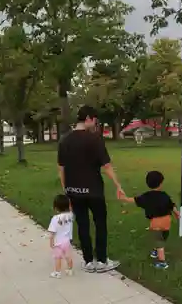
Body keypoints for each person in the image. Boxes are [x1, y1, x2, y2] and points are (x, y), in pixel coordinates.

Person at [57, 105, 124, 273]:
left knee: (83, 225)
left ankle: (88, 261)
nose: (95, 123)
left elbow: (61, 169)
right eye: (95, 120)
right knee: (100, 223)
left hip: (74, 192)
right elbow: (107, 166)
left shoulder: (65, 140)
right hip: (94, 191)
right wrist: (118, 185)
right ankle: (101, 261)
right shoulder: (95, 139)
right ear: (88, 118)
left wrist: (66, 191)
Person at [118, 171, 179, 269]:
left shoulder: (146, 196)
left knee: (159, 241)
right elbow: (172, 205)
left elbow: (134, 200)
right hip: (167, 220)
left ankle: (162, 262)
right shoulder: (164, 195)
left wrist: (123, 198)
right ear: (161, 183)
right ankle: (155, 251)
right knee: (162, 237)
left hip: (156, 222)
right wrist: (177, 214)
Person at [48, 194, 74, 279]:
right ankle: (70, 270)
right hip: (67, 241)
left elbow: (52, 232)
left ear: (55, 207)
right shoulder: (70, 216)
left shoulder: (55, 219)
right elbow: (70, 210)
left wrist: (51, 242)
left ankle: (57, 272)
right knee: (68, 256)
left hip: (58, 242)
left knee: (58, 257)